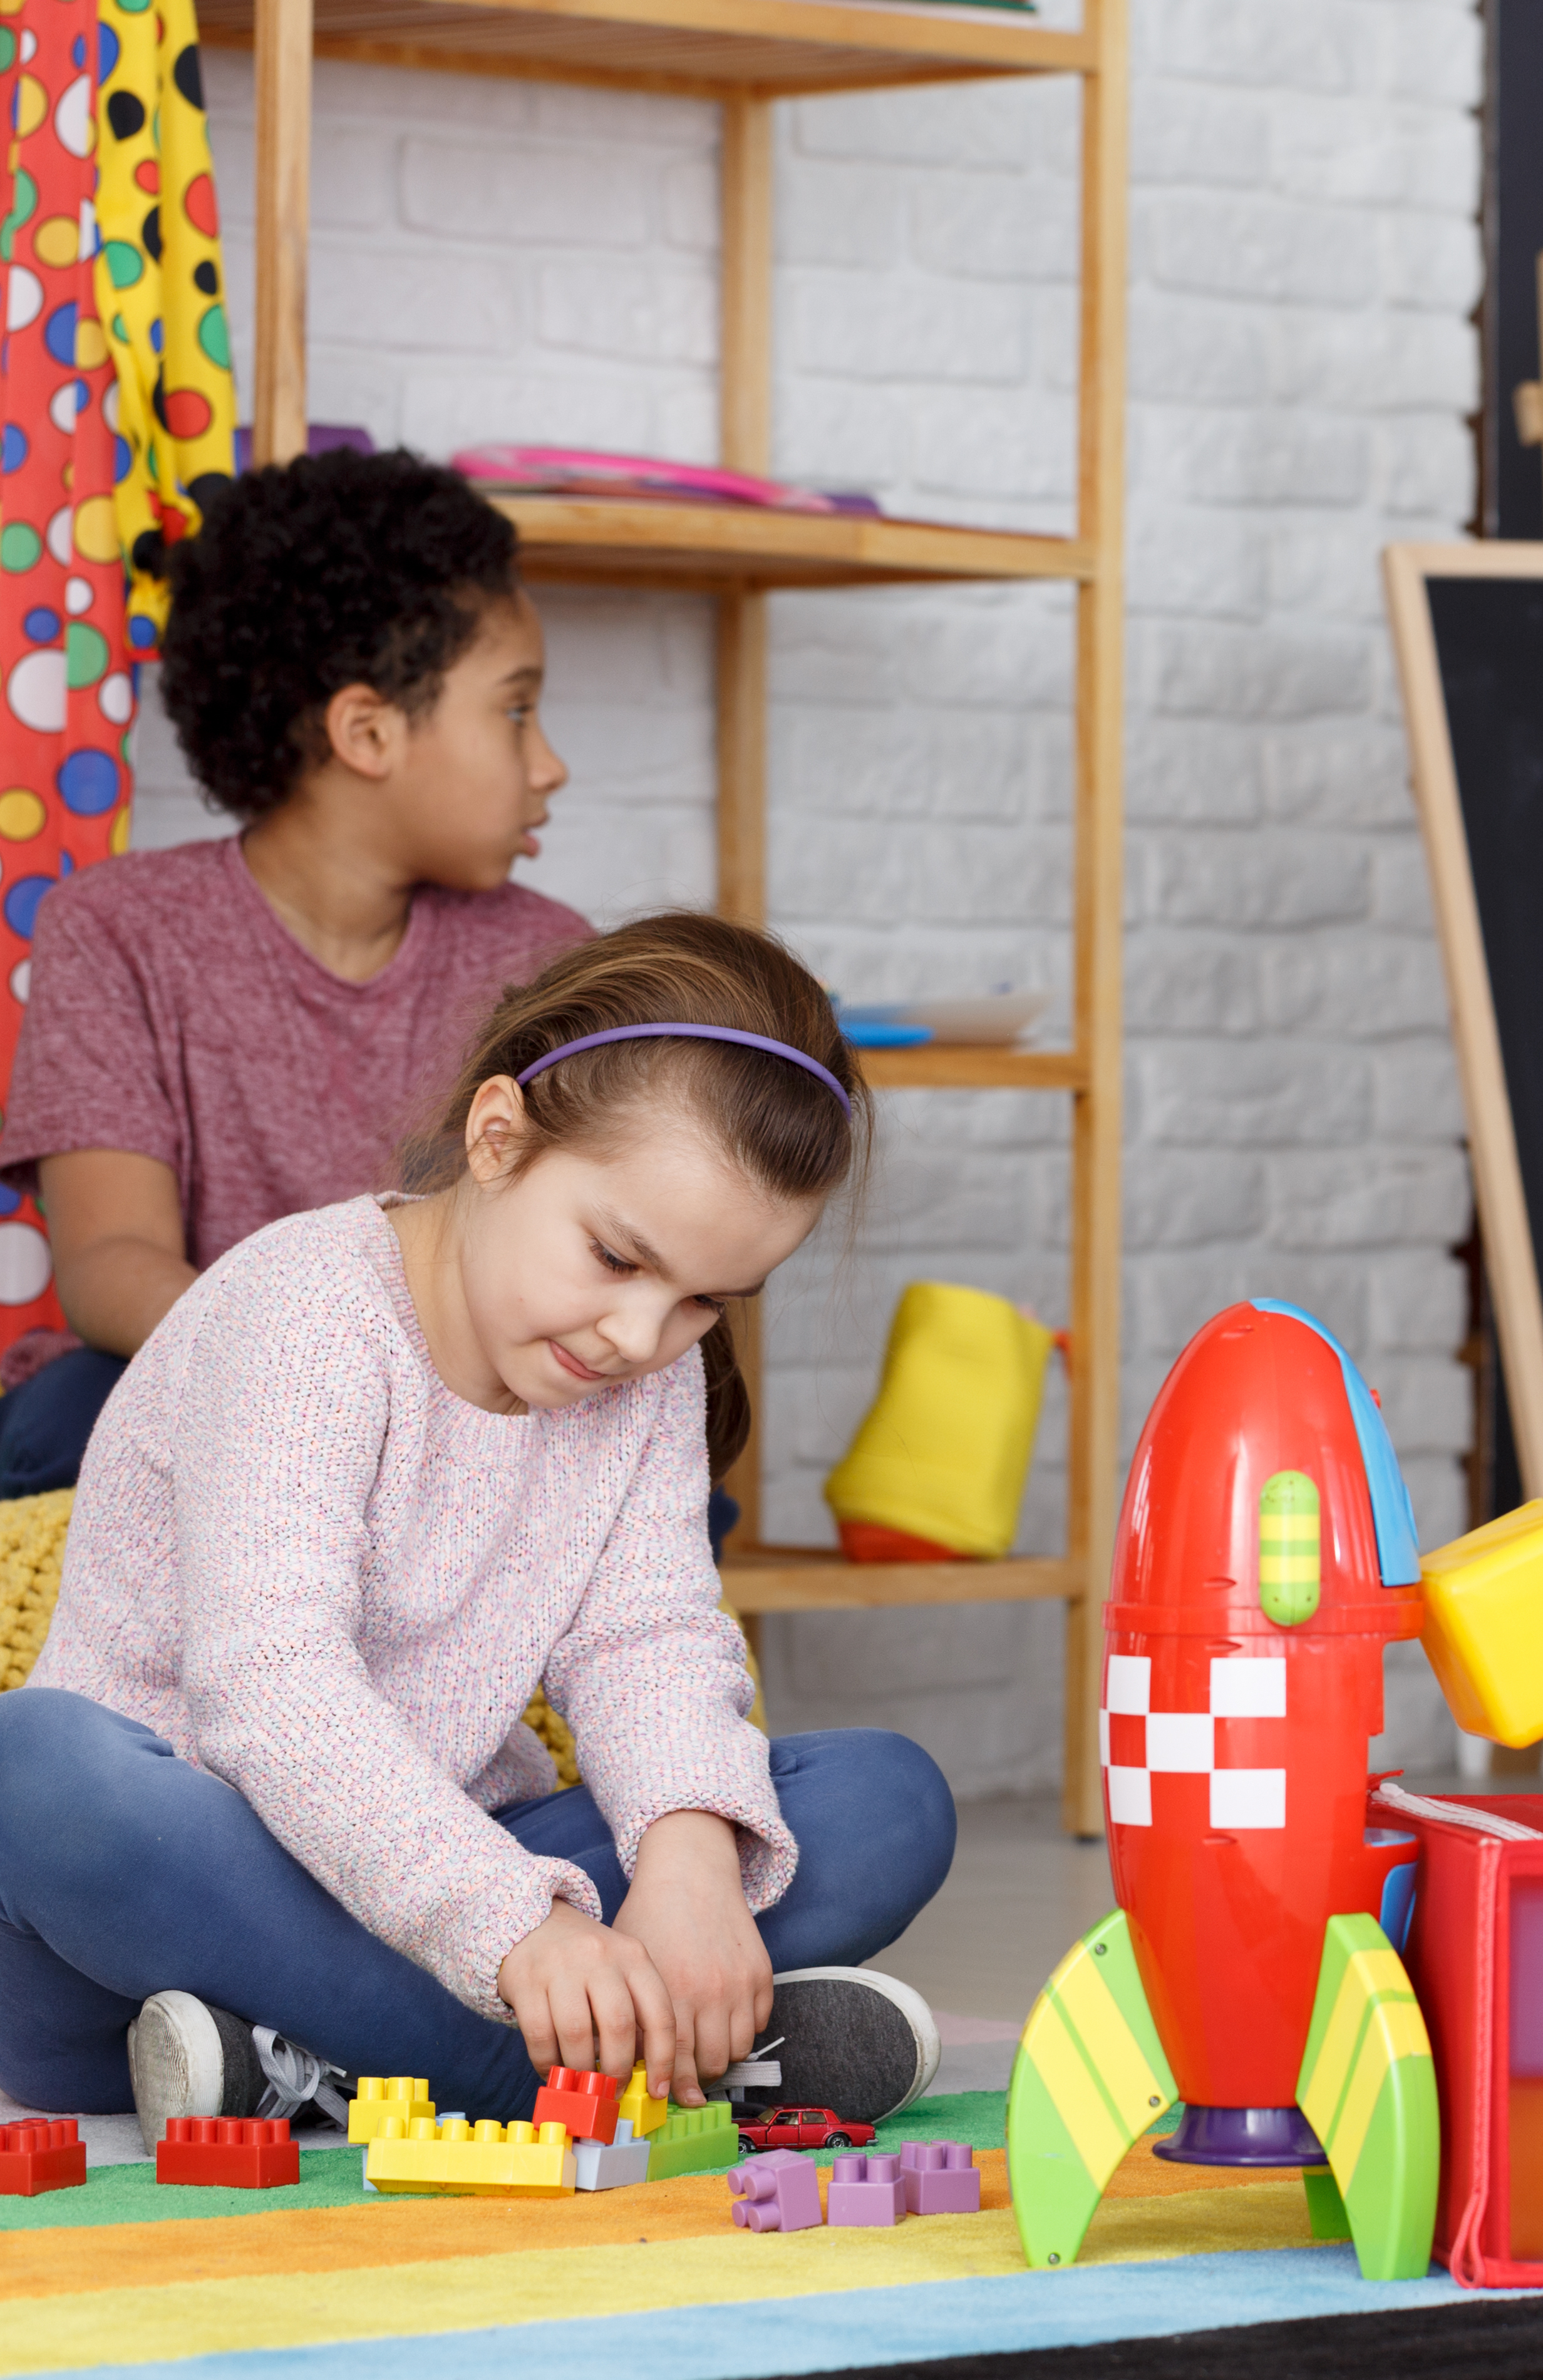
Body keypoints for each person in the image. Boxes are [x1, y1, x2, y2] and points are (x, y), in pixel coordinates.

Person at [0, 914, 957, 2133]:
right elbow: (267, 1688)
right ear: (497, 1137)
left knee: (886, 1799)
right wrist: (514, 1929)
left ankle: (310, 2061)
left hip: (451, 1857)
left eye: (704, 1301)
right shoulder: (307, 1312)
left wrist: (688, 1860)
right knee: (35, 1765)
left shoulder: (642, 1373)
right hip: (180, 1892)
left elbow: (646, 1635)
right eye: (616, 1256)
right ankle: (548, 2066)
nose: (639, 1336)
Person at [0, 449, 589, 1497]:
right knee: (56, 1427)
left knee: (650, 1466)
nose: (550, 764)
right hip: (199, 1373)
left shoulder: (545, 960)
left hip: (458, 1400)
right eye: (514, 711)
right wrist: (315, 1379)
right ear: (366, 730)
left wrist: (417, 1400)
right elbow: (110, 1260)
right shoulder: (117, 930)